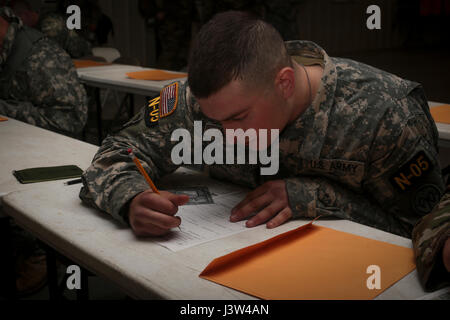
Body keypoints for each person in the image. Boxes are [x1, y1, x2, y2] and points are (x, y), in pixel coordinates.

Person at [79, 11, 449, 289]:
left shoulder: (385, 114)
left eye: (239, 118)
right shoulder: (203, 103)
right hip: (215, 279)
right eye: (216, 121)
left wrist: (314, 196)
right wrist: (130, 198)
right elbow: (120, 148)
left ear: (284, 83)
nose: (228, 135)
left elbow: (419, 231)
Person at [0, 6, 88, 138]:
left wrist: (5, 109)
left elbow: (70, 120)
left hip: (46, 147)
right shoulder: (8, 48)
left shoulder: (40, 55)